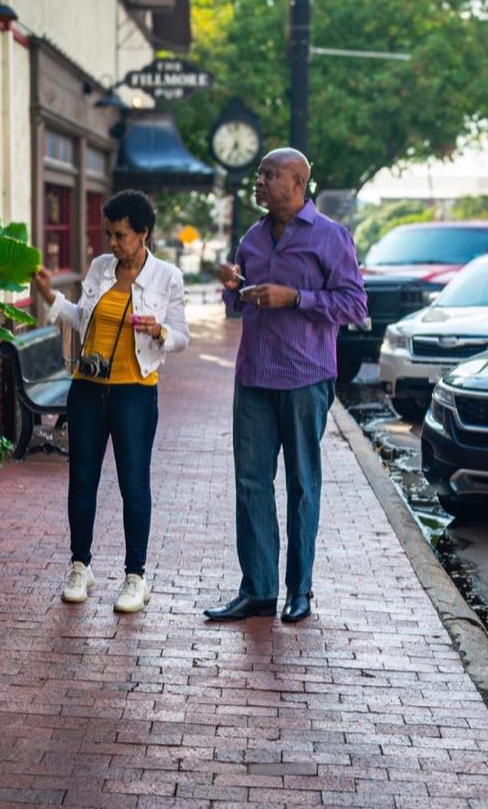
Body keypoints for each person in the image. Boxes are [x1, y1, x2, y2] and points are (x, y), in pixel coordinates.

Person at [204, 148, 367, 623]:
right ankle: (257, 590)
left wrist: (294, 297)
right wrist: (233, 287)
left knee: (301, 484)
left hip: (305, 377)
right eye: (260, 174)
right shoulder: (252, 239)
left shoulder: (331, 238)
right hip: (253, 375)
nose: (260, 182)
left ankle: (301, 590)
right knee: (251, 484)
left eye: (270, 175)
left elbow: (355, 305)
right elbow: (237, 306)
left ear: (297, 183)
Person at [32, 190, 189, 613]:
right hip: (87, 386)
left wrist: (160, 333)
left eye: (120, 235)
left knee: (133, 484)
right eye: (109, 234)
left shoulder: (166, 277)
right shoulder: (101, 268)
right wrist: (50, 297)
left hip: (134, 392)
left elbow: (182, 336)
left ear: (143, 233)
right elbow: (79, 319)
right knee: (81, 480)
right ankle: (79, 566)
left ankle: (135, 576)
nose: (112, 244)